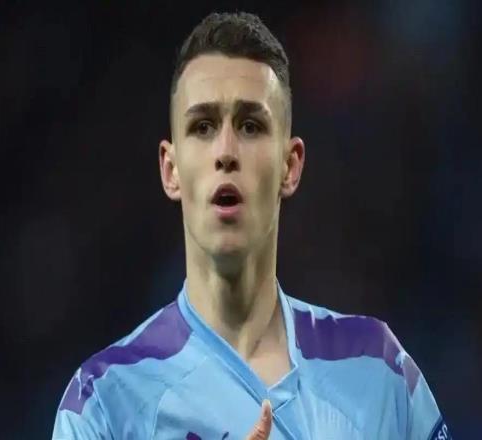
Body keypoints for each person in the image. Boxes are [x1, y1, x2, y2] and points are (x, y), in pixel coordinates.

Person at [53, 12, 451, 439]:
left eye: (250, 126)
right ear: (171, 169)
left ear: (290, 166)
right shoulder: (103, 401)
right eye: (203, 127)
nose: (226, 151)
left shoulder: (378, 370)